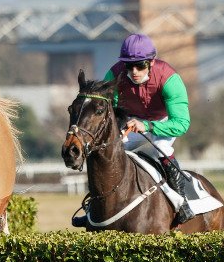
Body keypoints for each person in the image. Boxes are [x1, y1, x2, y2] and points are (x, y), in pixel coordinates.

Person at [72, 33, 195, 227]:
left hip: (162, 123)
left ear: (151, 62)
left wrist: (148, 125)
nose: (134, 71)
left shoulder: (169, 79)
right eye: (129, 66)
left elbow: (181, 123)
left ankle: (181, 202)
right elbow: (107, 109)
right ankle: (93, 207)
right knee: (106, 153)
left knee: (161, 148)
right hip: (130, 122)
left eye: (140, 65)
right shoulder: (114, 75)